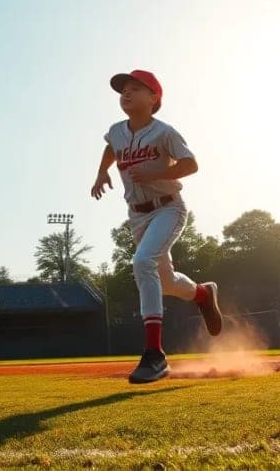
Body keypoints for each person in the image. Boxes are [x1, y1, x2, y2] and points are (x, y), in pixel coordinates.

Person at [91, 69, 222, 384]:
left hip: (168, 209)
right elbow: (112, 147)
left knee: (142, 262)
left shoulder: (164, 133)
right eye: (123, 89)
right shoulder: (117, 131)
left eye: (136, 88)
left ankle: (154, 355)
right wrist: (101, 172)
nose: (126, 93)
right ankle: (202, 294)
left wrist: (153, 176)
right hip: (137, 216)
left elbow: (191, 164)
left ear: (154, 98)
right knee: (164, 282)